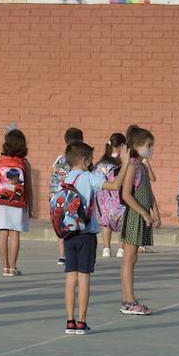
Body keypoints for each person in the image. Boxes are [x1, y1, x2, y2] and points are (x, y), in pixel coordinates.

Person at [60, 141, 131, 334]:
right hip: (86, 234)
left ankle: (69, 321)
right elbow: (115, 185)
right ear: (84, 160)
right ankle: (82, 322)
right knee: (84, 278)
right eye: (90, 159)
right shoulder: (89, 177)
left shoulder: (65, 178)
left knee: (70, 278)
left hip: (68, 233)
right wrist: (125, 164)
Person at [118, 126, 159, 315]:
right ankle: (128, 301)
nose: (151, 149)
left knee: (132, 259)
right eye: (148, 145)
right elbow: (126, 195)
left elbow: (148, 191)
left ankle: (129, 299)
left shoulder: (141, 166)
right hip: (134, 215)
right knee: (129, 259)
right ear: (136, 146)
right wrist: (143, 213)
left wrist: (155, 210)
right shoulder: (132, 167)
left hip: (141, 214)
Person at [0, 127, 33, 277]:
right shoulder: (24, 163)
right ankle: (13, 267)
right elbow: (28, 186)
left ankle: (5, 267)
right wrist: (31, 204)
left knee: (3, 233)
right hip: (18, 201)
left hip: (2, 201)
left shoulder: (1, 160)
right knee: (15, 234)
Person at [50, 127, 84, 265]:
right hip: (75, 197)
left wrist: (52, 197)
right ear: (81, 140)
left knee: (61, 224)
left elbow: (54, 178)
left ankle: (62, 254)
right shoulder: (81, 159)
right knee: (76, 223)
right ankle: (75, 252)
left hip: (59, 196)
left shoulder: (60, 159)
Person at [95, 133, 126, 258]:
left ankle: (106, 248)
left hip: (102, 196)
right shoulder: (121, 161)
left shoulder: (101, 162)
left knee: (105, 221)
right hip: (117, 195)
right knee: (121, 220)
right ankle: (120, 249)